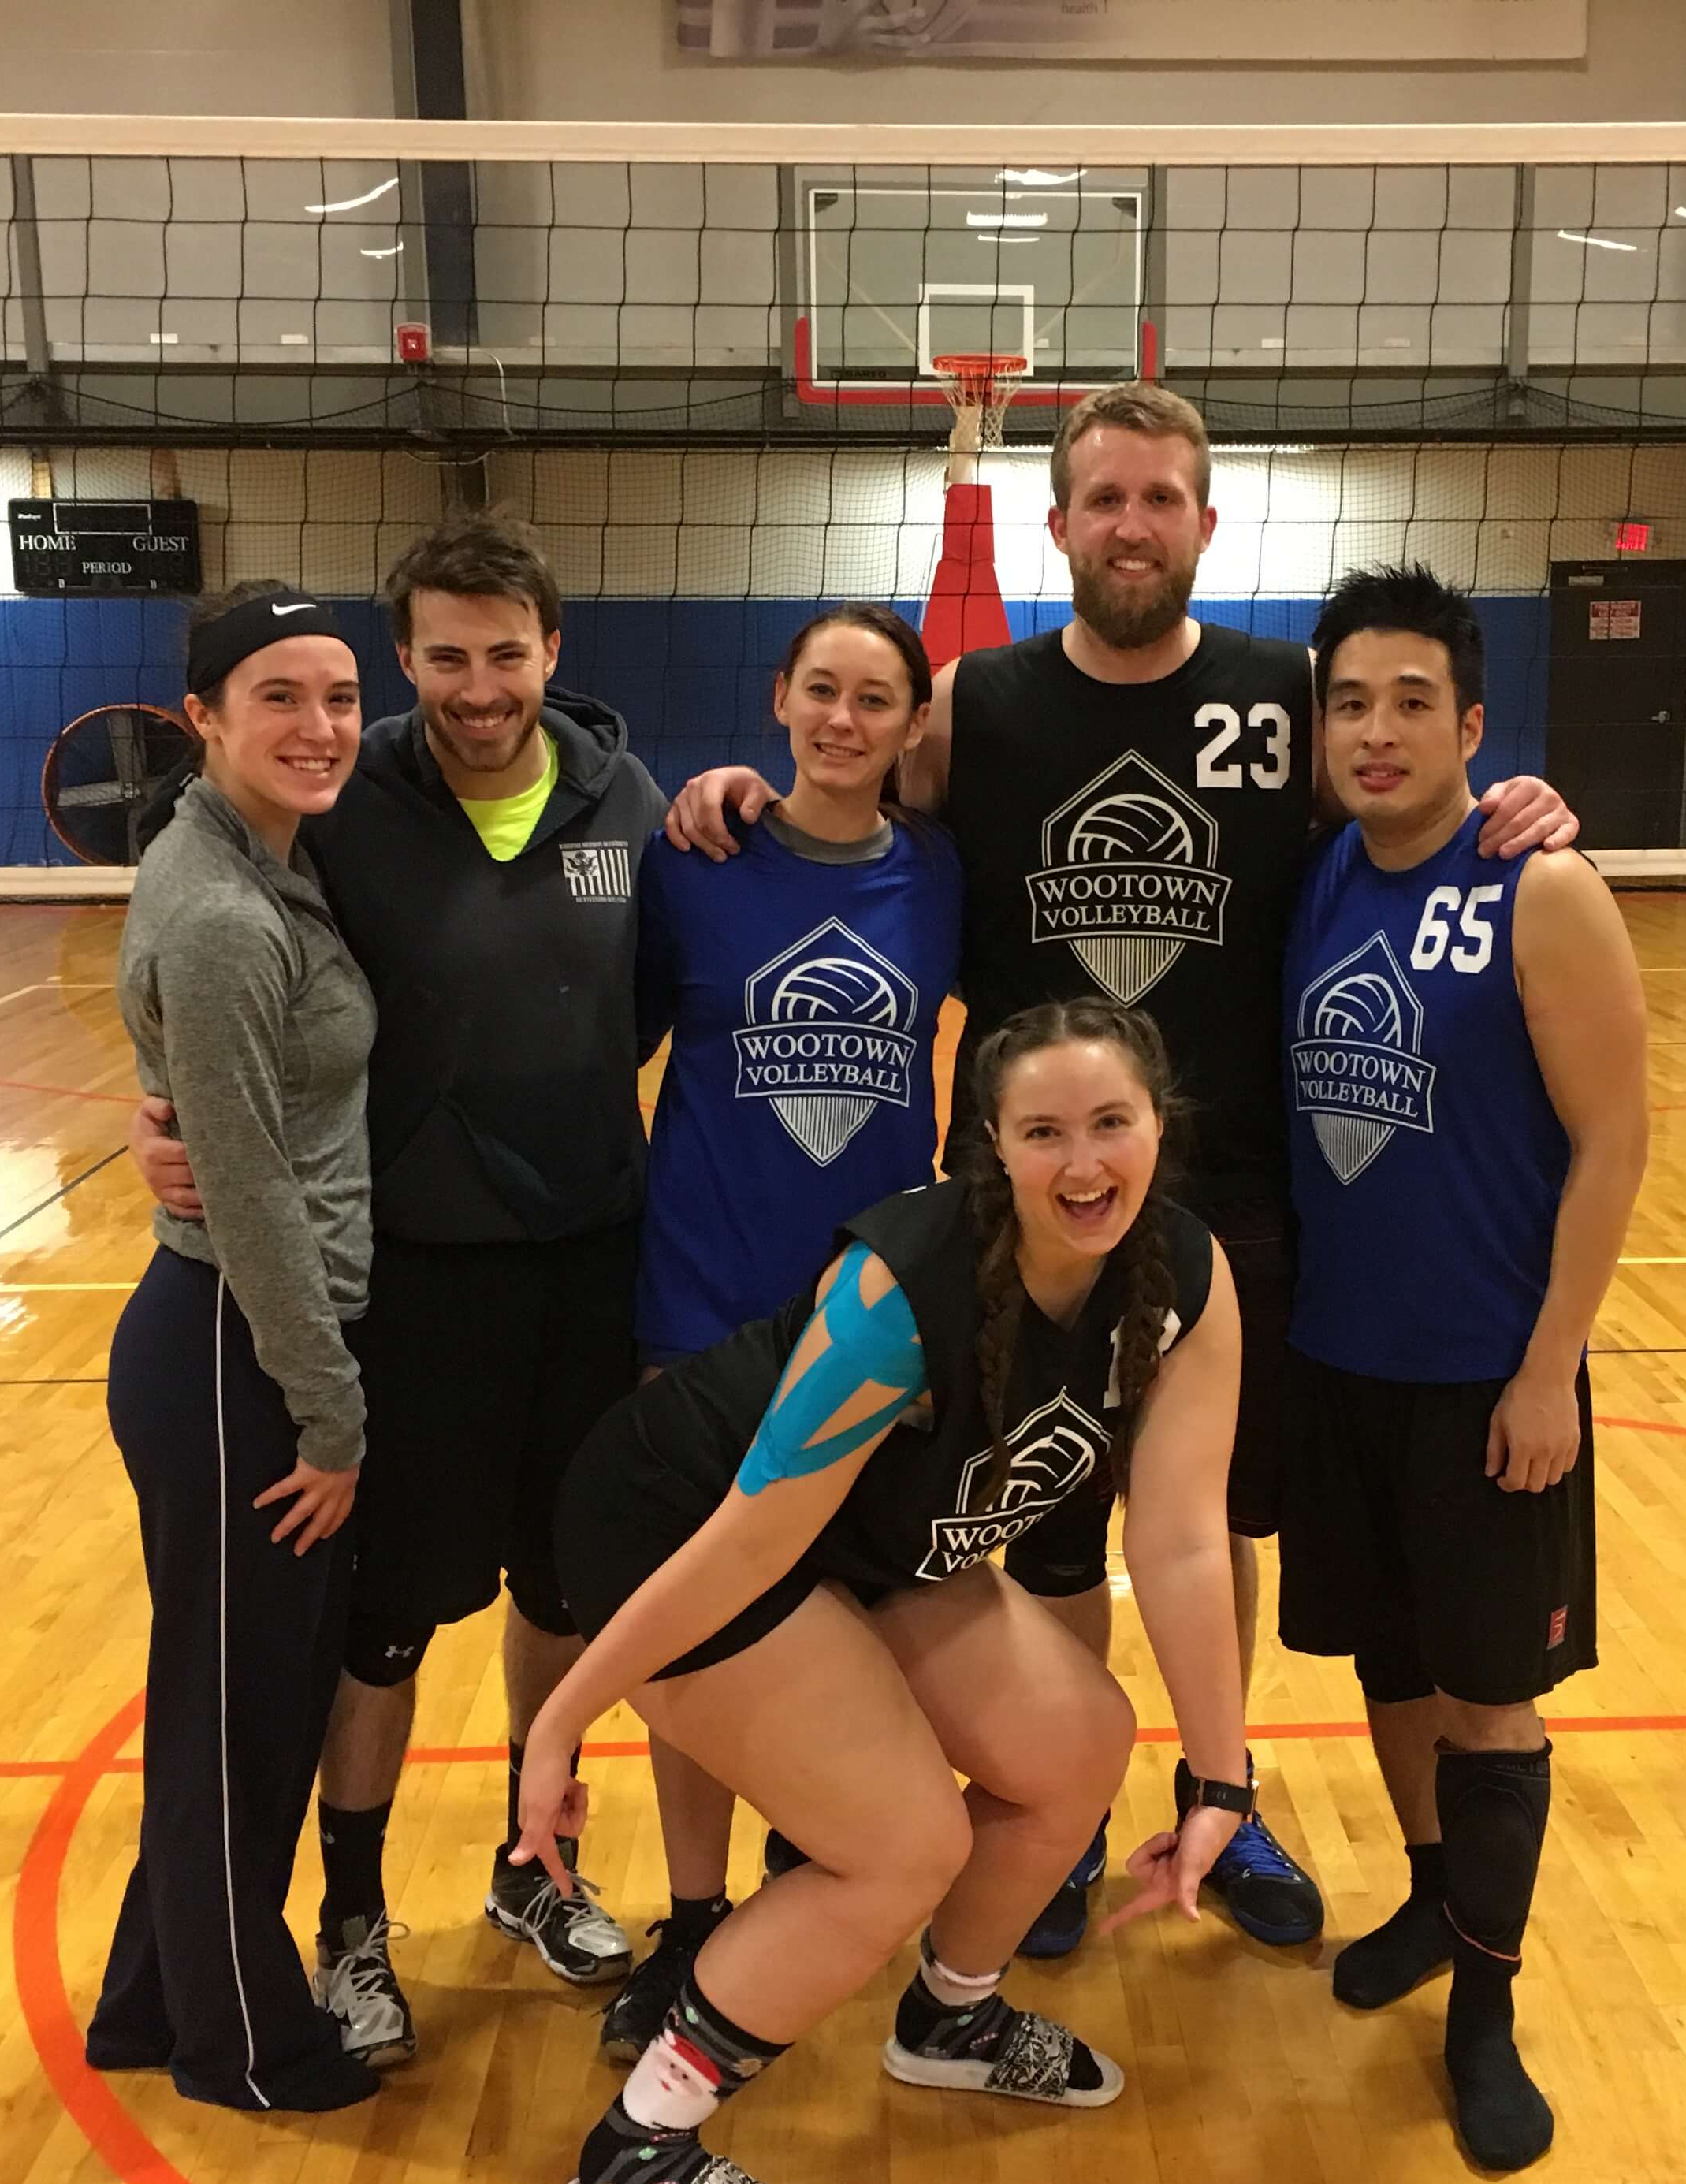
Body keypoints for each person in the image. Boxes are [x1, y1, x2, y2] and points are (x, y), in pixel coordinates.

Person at [669, 381, 1580, 1955]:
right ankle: (1064, 1802)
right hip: (1023, 1196)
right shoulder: (975, 703)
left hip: (1229, 1193)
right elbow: (846, 801)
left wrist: (1523, 801)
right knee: (1033, 1522)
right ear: (1060, 524)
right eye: (1106, 498)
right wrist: (735, 799)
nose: (1134, 525)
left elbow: (1407, 800)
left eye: (1162, 498)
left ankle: (1220, 1788)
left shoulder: (1287, 697)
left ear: (1207, 523)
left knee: (1210, 1509)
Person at [518, 1001, 1252, 2184]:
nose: (1084, 1164)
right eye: (1044, 1133)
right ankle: (635, 2153)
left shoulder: (1184, 1274)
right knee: (901, 1847)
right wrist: (562, 1721)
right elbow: (751, 1539)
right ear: (991, 1147)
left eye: (1110, 1123)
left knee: (1082, 1744)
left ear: (1157, 1126)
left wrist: (1221, 1779)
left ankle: (950, 2019)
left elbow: (1182, 1540)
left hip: (866, 1544)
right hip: (674, 1526)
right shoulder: (897, 1291)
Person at [132, 515, 667, 2068]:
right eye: (444, 656)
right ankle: (354, 1915)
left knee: (563, 1594)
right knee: (386, 1621)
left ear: (553, 650)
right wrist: (160, 1111)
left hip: (591, 1257)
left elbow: (671, 993)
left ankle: (532, 1862)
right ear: (406, 659)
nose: (478, 685)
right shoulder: (343, 800)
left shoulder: (629, 799)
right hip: (415, 1279)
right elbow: (222, 977)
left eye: (506, 652)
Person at [1278, 564, 1647, 2173]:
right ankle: (1436, 1899)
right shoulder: (1320, 875)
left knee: (1493, 1704)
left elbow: (1616, 1138)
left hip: (1488, 1379)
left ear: (1473, 726)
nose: (1378, 730)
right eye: (1351, 703)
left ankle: (1486, 2013)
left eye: (1412, 702)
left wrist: (1549, 1367)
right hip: (1336, 1365)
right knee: (1392, 1665)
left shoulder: (1538, 887)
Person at [601, 603, 964, 2067]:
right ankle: (693, 1914)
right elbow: (592, 1045)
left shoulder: (942, 872)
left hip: (872, 1316)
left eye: (875, 699)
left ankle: (817, 1871)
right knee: (698, 1631)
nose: (843, 719)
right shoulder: (695, 860)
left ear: (913, 726)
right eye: (823, 689)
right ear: (780, 698)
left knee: (849, 1619)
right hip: (701, 1301)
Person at [83, 582, 382, 2113]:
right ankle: (240, 2045)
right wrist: (328, 1416)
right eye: (281, 696)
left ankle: (151, 2000)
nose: (321, 726)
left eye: (341, 696)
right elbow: (250, 1193)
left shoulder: (261, 853)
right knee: (233, 1714)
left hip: (245, 1341)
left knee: (243, 1699)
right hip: (234, 1351)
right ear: (202, 715)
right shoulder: (218, 911)